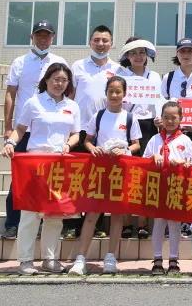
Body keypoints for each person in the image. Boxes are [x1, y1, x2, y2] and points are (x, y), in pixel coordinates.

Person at [1, 62, 80, 275]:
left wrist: (68, 144)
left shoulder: (72, 106)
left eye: (64, 80)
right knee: (30, 215)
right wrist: (10, 143)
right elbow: (20, 129)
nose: (59, 84)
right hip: (35, 164)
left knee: (55, 216)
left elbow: (76, 133)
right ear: (47, 80)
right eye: (56, 79)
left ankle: (50, 260)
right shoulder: (34, 102)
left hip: (59, 166)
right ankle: (25, 260)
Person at [69, 75, 142, 276]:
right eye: (111, 91)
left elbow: (136, 144)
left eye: (118, 91)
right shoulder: (98, 115)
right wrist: (93, 148)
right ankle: (80, 259)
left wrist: (125, 150)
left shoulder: (130, 117)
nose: (114, 95)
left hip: (120, 170)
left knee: (117, 215)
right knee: (92, 214)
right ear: (106, 93)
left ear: (124, 94)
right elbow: (87, 140)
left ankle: (111, 257)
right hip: (100, 170)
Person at [1, 19, 67, 239]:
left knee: (48, 179)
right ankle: (12, 222)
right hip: (24, 129)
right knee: (20, 178)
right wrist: (7, 126)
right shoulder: (20, 62)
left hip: (48, 131)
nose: (43, 39)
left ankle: (42, 220)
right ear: (32, 36)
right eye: (39, 34)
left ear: (53, 38)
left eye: (47, 35)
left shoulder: (59, 62)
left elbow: (68, 93)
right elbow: (11, 93)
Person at [66, 24, 120, 239]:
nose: (101, 44)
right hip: (80, 130)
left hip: (105, 132)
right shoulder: (78, 66)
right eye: (97, 40)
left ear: (111, 44)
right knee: (77, 178)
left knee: (99, 181)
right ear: (90, 42)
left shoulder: (118, 69)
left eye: (105, 40)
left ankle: (94, 223)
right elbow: (70, 96)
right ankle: (71, 223)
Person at [144, 100, 192, 275]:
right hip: (158, 185)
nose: (169, 121)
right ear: (161, 118)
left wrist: (184, 162)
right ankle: (157, 259)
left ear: (180, 118)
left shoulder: (186, 140)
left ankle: (174, 259)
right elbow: (143, 161)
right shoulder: (154, 139)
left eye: (174, 117)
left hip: (176, 186)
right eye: (166, 117)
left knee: (174, 222)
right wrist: (154, 157)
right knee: (159, 222)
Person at [116, 37, 160, 240]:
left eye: (141, 52)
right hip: (126, 124)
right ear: (127, 56)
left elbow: (159, 102)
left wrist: (160, 118)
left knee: (145, 175)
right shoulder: (120, 76)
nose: (138, 56)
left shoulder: (155, 76)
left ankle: (142, 223)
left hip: (149, 126)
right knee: (126, 174)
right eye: (133, 53)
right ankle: (126, 223)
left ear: (147, 54)